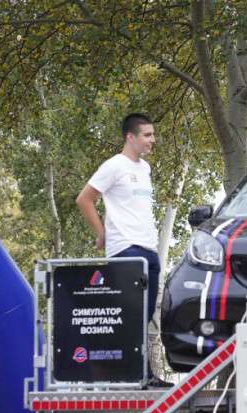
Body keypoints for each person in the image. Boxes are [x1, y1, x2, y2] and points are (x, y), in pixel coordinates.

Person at [76, 113, 173, 388]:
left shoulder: (145, 169)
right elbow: (84, 199)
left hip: (149, 249)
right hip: (125, 250)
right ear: (130, 137)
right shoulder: (114, 166)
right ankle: (129, 375)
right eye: (147, 135)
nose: (153, 140)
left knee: (142, 318)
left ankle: (144, 375)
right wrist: (102, 233)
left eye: (153, 135)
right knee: (129, 314)